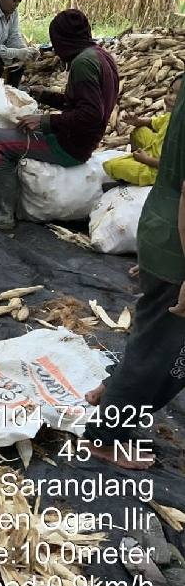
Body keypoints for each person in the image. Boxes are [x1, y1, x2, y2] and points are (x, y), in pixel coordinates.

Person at [82, 85, 185, 470]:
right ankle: (105, 438)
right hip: (177, 241)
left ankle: (112, 388)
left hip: (164, 226)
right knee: (165, 355)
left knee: (153, 337)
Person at [0, 9, 118, 230]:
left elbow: (91, 115)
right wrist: (44, 95)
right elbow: (80, 104)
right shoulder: (100, 56)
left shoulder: (83, 63)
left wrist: (44, 121)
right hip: (79, 139)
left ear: (63, 39)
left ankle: (0, 215)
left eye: (55, 41)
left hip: (69, 145)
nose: (56, 48)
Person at [103, 74, 183, 187]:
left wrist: (147, 160)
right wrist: (137, 121)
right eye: (170, 92)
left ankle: (142, 178)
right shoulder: (172, 116)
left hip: (161, 170)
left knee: (111, 166)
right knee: (139, 131)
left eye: (179, 96)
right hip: (157, 150)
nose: (170, 97)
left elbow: (176, 168)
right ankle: (136, 162)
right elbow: (152, 122)